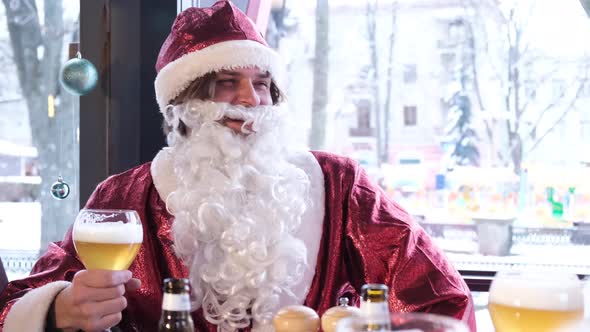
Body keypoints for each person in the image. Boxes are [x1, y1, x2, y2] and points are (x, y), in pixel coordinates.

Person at [0, 1, 475, 331]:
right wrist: (60, 308)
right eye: (227, 82)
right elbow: (15, 305)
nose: (252, 100)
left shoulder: (341, 186)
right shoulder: (122, 200)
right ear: (183, 102)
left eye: (263, 83)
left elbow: (441, 300)